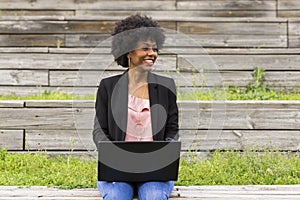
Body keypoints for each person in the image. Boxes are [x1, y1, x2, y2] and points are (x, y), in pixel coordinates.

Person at [92, 14, 179, 200]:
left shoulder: (167, 86)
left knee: (154, 196)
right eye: (145, 48)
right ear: (128, 52)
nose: (152, 53)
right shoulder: (108, 87)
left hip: (155, 170)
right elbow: (99, 131)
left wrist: (165, 154)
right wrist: (114, 156)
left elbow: (172, 130)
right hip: (117, 169)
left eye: (155, 49)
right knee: (117, 196)